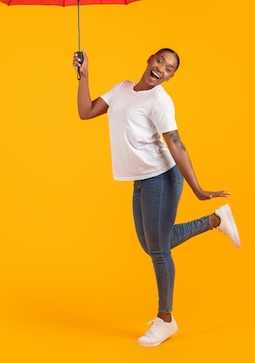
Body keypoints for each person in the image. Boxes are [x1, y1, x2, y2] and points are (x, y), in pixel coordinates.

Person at [73, 48, 240, 347]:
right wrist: (84, 77)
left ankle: (166, 319)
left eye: (170, 69)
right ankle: (216, 220)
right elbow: (85, 112)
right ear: (149, 59)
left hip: (161, 178)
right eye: (160, 61)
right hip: (141, 180)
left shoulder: (160, 101)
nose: (162, 69)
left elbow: (175, 144)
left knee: (159, 251)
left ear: (170, 77)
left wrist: (198, 189)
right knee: (151, 245)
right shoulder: (122, 89)